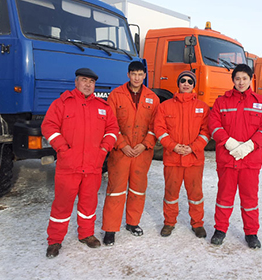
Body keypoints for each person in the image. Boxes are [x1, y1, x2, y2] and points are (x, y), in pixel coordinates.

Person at [42, 68, 119, 258]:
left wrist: (104, 149)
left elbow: (112, 129)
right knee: (62, 204)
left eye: (91, 82)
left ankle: (86, 234)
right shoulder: (62, 103)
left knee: (88, 203)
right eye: (84, 80)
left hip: (93, 165)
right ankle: (55, 240)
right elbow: (48, 125)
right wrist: (62, 148)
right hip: (69, 165)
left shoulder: (103, 106)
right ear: (76, 82)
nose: (87, 84)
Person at [208, 64, 262, 249]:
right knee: (224, 197)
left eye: (244, 78)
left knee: (250, 199)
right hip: (228, 159)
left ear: (251, 79)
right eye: (237, 79)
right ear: (233, 81)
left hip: (250, 161)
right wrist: (228, 142)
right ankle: (220, 230)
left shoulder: (261, 102)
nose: (241, 82)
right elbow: (214, 124)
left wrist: (251, 145)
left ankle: (251, 233)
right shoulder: (222, 102)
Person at [101, 61, 159, 245]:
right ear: (128, 75)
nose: (136, 77)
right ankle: (110, 229)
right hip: (121, 152)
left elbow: (155, 126)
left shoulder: (152, 97)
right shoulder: (116, 95)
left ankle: (133, 222)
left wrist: (145, 144)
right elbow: (110, 123)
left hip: (142, 152)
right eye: (133, 74)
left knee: (137, 190)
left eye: (140, 74)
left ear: (144, 76)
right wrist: (122, 144)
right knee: (116, 190)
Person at [154, 70, 210, 238]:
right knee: (171, 193)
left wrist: (193, 147)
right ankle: (169, 223)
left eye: (190, 81)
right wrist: (173, 146)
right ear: (178, 84)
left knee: (196, 194)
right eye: (183, 81)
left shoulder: (202, 107)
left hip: (194, 159)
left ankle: (197, 223)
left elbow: (206, 131)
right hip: (173, 159)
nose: (186, 83)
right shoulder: (165, 107)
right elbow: (159, 129)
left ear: (194, 85)